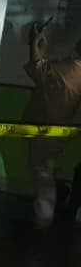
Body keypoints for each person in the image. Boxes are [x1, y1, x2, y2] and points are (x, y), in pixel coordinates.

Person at [23, 24, 81, 229]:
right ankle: (42, 218)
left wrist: (35, 43)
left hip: (46, 129)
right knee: (45, 172)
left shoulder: (70, 69)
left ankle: (43, 221)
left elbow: (37, 68)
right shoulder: (73, 70)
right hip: (59, 130)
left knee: (43, 174)